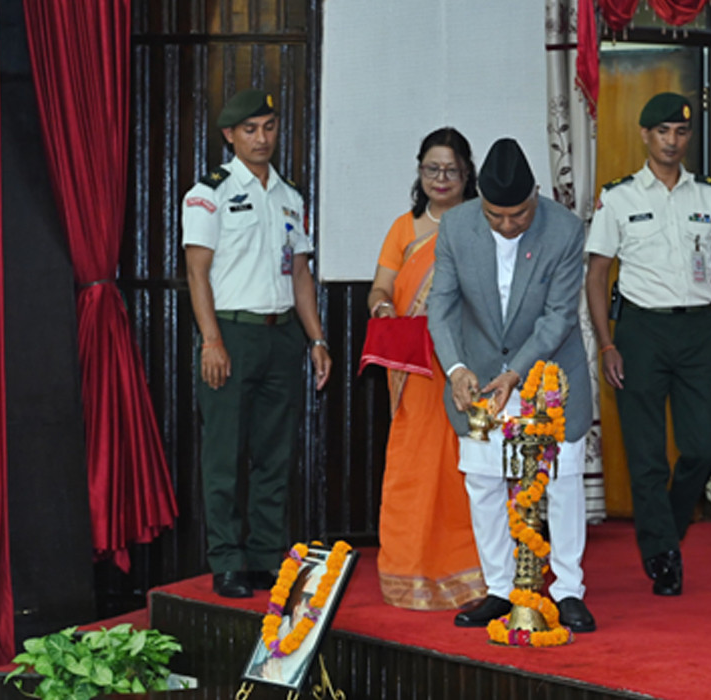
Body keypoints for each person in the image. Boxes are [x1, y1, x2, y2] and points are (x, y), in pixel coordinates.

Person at [426, 137, 596, 633]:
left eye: (518, 214)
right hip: (478, 374)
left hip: (548, 374)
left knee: (562, 480)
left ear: (535, 196)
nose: (506, 225)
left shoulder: (564, 229)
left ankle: (567, 590)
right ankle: (500, 588)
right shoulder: (457, 226)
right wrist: (457, 369)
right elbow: (442, 306)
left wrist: (516, 372)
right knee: (483, 481)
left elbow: (559, 316)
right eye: (495, 215)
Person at [585, 92, 711, 597]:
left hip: (698, 330)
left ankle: (666, 530)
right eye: (662, 132)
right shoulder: (619, 198)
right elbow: (596, 274)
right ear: (645, 135)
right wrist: (606, 345)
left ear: (688, 137)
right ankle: (663, 556)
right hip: (640, 333)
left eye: (680, 132)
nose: (672, 141)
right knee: (647, 454)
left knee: (706, 445)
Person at [182, 89, 332, 598]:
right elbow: (197, 273)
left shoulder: (290, 196)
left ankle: (267, 557)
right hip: (231, 333)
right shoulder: (209, 194)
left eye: (269, 127)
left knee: (275, 454)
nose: (261, 138)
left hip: (282, 334)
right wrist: (211, 341)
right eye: (249, 129)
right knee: (224, 455)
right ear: (230, 135)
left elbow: (301, 274)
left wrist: (316, 339)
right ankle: (227, 560)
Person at [368, 127, 485, 610]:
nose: (441, 178)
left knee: (467, 468)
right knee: (413, 465)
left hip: (468, 364)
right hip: (416, 367)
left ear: (467, 174)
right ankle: (409, 570)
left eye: (451, 170)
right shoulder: (405, 228)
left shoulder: (483, 223)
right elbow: (381, 288)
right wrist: (382, 308)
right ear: (419, 172)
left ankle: (475, 572)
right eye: (431, 169)